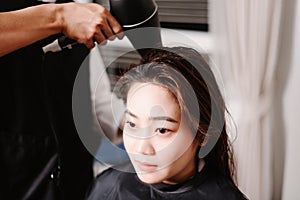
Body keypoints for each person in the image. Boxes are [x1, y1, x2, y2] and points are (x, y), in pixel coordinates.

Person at [87, 47, 248, 199]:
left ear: (203, 133)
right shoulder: (109, 187)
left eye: (162, 130)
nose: (141, 149)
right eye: (132, 124)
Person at [0, 1, 122, 199]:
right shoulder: (63, 14)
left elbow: (100, 104)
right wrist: (59, 17)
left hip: (72, 179)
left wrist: (138, 121)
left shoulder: (76, 12)